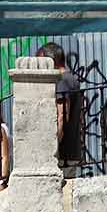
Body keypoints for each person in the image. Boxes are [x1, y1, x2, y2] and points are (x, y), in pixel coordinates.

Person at [35, 41, 84, 175]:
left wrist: (52, 149)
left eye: (42, 63)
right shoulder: (73, 79)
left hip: (62, 154)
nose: (40, 68)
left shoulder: (61, 80)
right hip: (71, 151)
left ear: (51, 61)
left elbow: (61, 116)